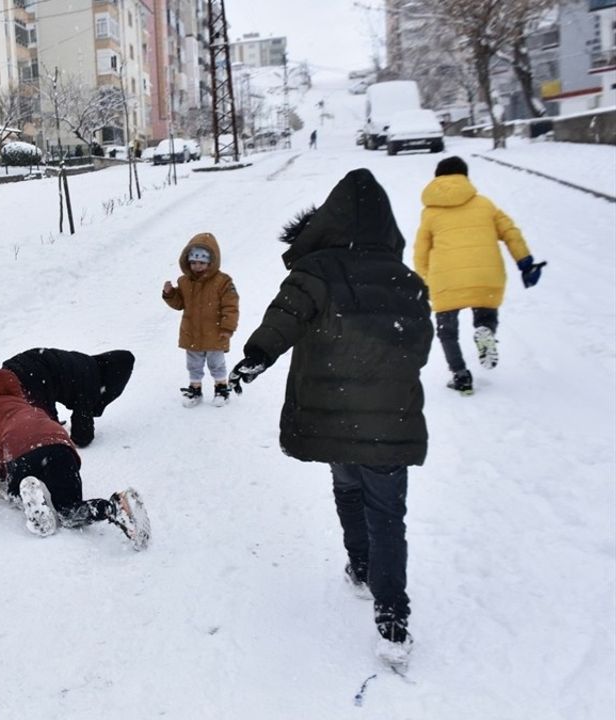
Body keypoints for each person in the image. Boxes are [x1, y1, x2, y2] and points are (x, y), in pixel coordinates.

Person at [227, 169, 432, 669]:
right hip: (389, 420)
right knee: (388, 515)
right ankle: (392, 621)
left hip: (335, 415)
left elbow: (283, 319)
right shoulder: (407, 280)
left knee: (347, 487)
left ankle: (360, 568)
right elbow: (419, 347)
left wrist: (255, 359)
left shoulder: (316, 271)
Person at [0, 369, 150, 549]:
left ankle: (29, 494)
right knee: (69, 510)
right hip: (61, 448)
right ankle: (114, 507)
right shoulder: (29, 406)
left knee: (13, 488)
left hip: (21, 451)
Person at [414, 155, 545, 395]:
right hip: (487, 275)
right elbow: (510, 232)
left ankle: (460, 375)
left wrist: (424, 280)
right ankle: (485, 331)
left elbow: (420, 250)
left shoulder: (430, 213)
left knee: (447, 331)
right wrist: (525, 263)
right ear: (464, 177)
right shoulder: (485, 204)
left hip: (446, 280)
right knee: (485, 313)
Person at [0, 348, 135, 448]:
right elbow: (82, 433)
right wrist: (79, 437)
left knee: (9, 408)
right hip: (34, 374)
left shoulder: (85, 363)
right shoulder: (91, 381)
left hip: (16, 366)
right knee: (49, 433)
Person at [161, 233, 239, 407]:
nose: (197, 266)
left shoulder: (223, 281)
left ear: (211, 262)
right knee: (193, 364)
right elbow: (179, 303)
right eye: (194, 262)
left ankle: (221, 388)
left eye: (202, 263)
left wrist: (227, 327)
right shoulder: (184, 281)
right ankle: (195, 390)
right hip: (192, 332)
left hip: (216, 332)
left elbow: (231, 306)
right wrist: (170, 294)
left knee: (216, 363)